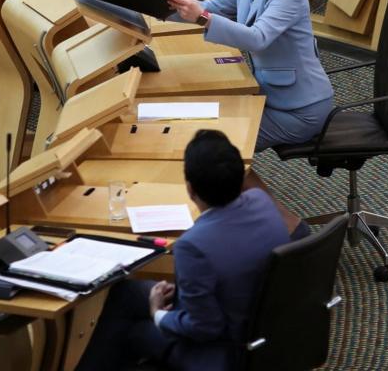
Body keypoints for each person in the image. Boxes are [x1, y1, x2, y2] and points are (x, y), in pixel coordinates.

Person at [76, 130, 290, 371]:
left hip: (225, 351)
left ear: (189, 189)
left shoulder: (194, 245)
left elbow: (204, 328)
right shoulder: (261, 200)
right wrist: (187, 292)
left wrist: (158, 314)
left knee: (131, 332)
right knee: (125, 292)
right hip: (265, 327)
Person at [168, 0, 334, 152]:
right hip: (271, 94)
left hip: (300, 111)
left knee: (213, 145)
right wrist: (164, 5)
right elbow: (214, 7)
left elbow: (258, 38)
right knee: (206, 125)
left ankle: (238, 188)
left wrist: (202, 17)